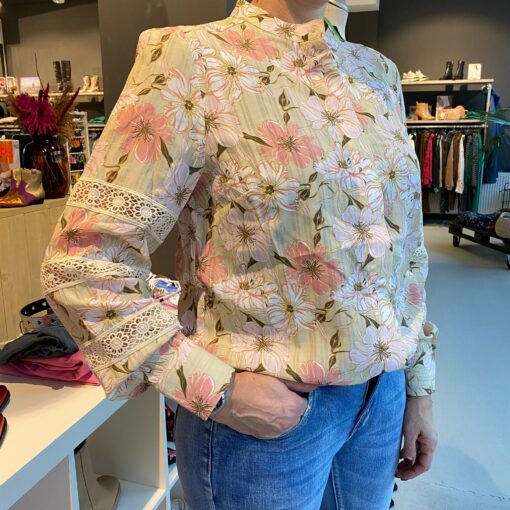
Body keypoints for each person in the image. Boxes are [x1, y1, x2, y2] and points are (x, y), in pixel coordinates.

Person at [41, 0, 438, 508]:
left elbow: (405, 252)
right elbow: (83, 260)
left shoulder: (378, 73)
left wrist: (418, 384)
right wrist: (216, 389)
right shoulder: (194, 58)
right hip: (264, 428)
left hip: (381, 404)